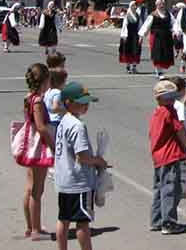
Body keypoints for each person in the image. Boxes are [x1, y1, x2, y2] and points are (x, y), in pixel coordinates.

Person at [53, 82, 107, 250]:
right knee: (83, 223)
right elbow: (82, 157)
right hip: (79, 183)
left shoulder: (64, 121)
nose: (86, 106)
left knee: (64, 219)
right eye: (82, 102)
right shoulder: (78, 126)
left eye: (87, 102)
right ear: (68, 102)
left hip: (64, 181)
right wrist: (99, 161)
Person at [149, 79, 186, 235]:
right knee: (171, 189)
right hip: (170, 155)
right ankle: (169, 222)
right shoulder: (169, 111)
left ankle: (156, 219)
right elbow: (179, 130)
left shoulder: (157, 112)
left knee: (159, 188)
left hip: (159, 156)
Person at [21, 63, 55, 241]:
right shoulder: (39, 101)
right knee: (37, 189)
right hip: (38, 146)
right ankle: (35, 229)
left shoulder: (28, 97)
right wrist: (53, 145)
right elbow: (41, 127)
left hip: (29, 145)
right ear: (44, 80)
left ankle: (30, 225)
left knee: (29, 187)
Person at [139, 0, 176, 78]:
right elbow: (146, 26)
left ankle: (160, 71)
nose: (162, 5)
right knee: (157, 54)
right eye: (160, 4)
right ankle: (159, 72)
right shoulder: (153, 14)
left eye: (163, 4)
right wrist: (141, 36)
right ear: (156, 5)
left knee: (165, 55)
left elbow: (175, 23)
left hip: (166, 37)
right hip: (156, 37)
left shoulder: (168, 14)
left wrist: (176, 31)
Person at [45, 53, 68, 132]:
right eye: (62, 65)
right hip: (57, 120)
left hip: (48, 118)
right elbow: (55, 107)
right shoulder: (56, 91)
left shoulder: (49, 89)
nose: (64, 67)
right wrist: (67, 110)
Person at [119, 1, 143, 74]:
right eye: (133, 6)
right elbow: (124, 26)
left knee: (136, 51)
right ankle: (128, 67)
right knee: (128, 51)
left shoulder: (138, 16)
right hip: (128, 35)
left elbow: (140, 26)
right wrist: (124, 36)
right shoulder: (127, 16)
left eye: (135, 6)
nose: (135, 7)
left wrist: (141, 36)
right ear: (130, 7)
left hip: (135, 35)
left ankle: (134, 67)